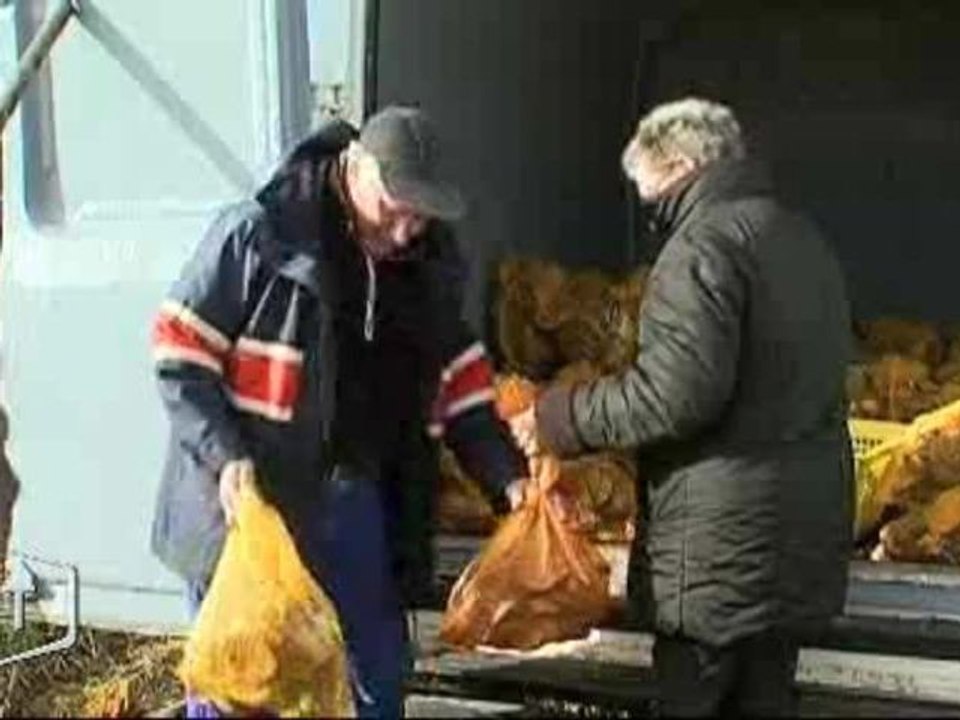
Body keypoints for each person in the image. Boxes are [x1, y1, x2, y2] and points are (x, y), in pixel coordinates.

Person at [150, 105, 526, 718]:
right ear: (355, 166)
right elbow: (179, 354)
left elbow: (463, 390)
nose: (406, 229)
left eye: (422, 214)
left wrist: (506, 476)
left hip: (353, 498)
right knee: (242, 682)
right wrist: (226, 458)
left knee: (375, 670)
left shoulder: (427, 269)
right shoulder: (261, 234)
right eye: (394, 206)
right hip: (251, 505)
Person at [510, 97, 854, 717]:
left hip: (719, 560)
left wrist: (558, 419)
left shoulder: (701, 249)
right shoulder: (802, 238)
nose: (644, 204)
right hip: (798, 543)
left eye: (646, 187)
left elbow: (676, 397)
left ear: (677, 166)